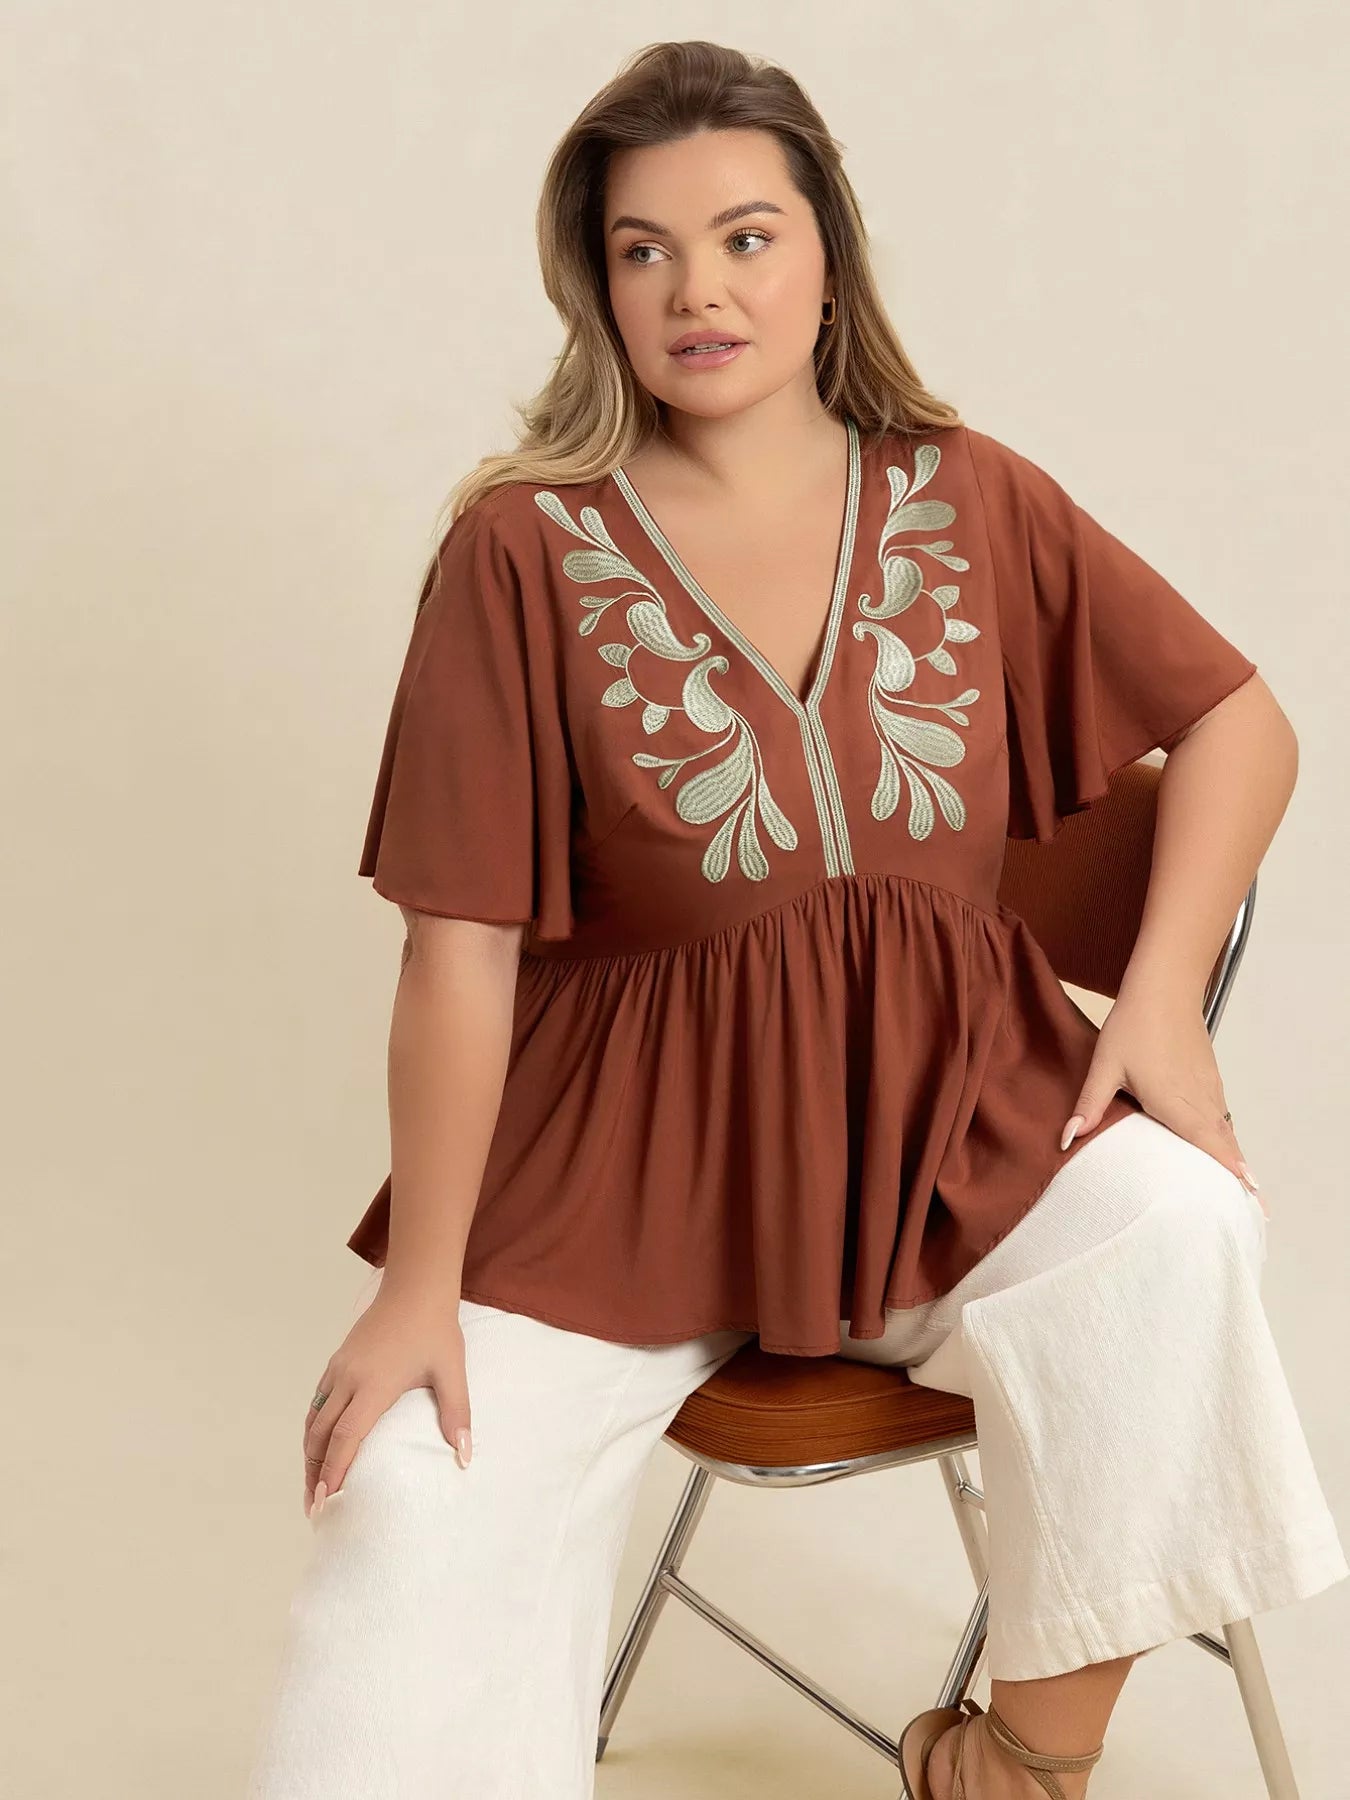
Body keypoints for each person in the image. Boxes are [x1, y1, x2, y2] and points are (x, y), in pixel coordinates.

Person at [245, 39, 1347, 1800]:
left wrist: (1159, 1005)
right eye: (643, 248)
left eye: (746, 236)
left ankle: (1009, 1765)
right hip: (618, 1175)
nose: (698, 289)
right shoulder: (520, 551)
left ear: (826, 252)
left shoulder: (964, 492)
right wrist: (426, 1285)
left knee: (1177, 1231)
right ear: (590, 282)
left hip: (959, 1126)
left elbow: (1241, 723)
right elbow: (455, 946)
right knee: (408, 1486)